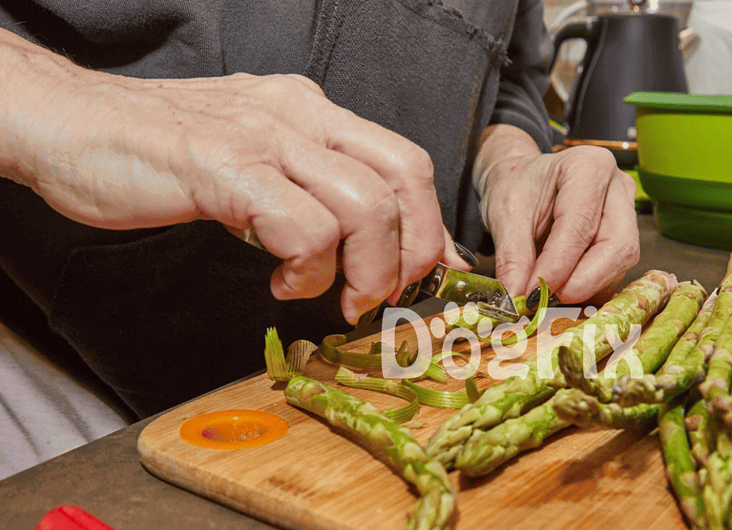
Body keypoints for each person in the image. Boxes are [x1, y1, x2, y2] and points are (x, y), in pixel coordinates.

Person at [0, 0, 640, 419]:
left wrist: (510, 161)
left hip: (391, 370)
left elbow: (510, 79)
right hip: (51, 382)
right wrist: (64, 100)